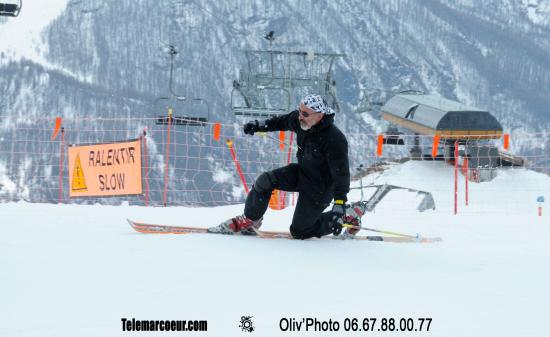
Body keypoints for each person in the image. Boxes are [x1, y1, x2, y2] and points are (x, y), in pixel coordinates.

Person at [209, 94, 365, 239]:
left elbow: (341, 174)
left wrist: (339, 204)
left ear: (320, 116)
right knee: (265, 180)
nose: (300, 116)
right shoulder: (301, 120)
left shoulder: (334, 139)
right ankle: (250, 220)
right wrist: (258, 125)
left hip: (320, 188)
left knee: (299, 231)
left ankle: (348, 215)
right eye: (299, 111)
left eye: (305, 113)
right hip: (302, 173)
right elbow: (280, 121)